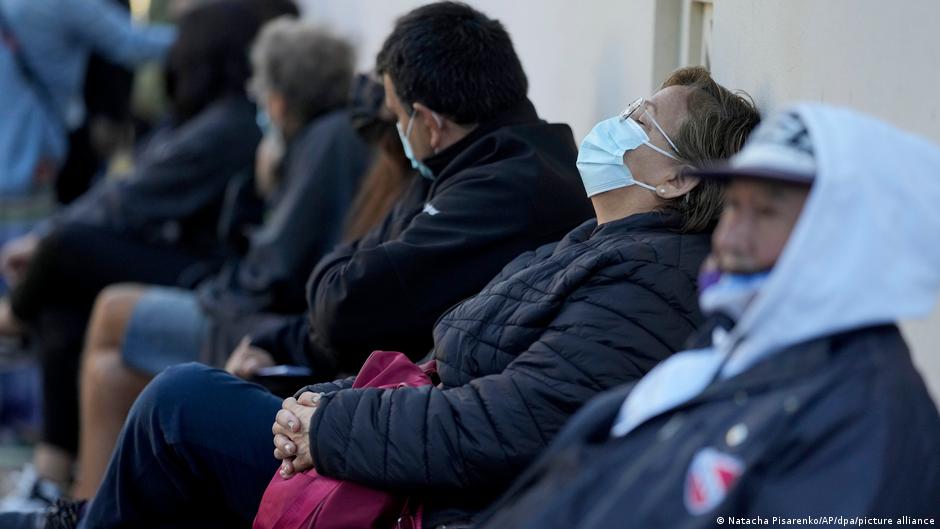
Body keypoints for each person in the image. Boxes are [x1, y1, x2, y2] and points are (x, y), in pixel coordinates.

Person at [9, 64, 761, 529]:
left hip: (430, 499)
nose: (617, 123)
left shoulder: (651, 284)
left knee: (178, 405)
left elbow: (500, 423)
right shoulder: (600, 243)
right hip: (395, 446)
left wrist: (328, 423)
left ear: (679, 178)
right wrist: (319, 401)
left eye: (642, 119)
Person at [475, 105, 940, 529]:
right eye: (735, 204)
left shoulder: (866, 418)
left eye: (766, 212)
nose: (730, 235)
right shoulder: (729, 348)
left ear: (845, 239)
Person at [71, 20, 372, 499]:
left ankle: (85, 504)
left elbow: (273, 267)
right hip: (279, 314)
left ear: (278, 100)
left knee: (113, 309)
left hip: (275, 324)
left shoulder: (324, 143)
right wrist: (260, 184)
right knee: (114, 373)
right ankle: (91, 504)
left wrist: (214, 284)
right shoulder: (322, 138)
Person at [0, 0, 267, 509]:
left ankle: (12, 317)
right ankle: (59, 487)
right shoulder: (211, 119)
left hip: (211, 279)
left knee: (67, 252)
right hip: (198, 265)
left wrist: (47, 240)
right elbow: (133, 191)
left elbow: (135, 195)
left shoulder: (227, 125)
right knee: (66, 298)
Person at [0, 0, 175, 196]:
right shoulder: (67, 5)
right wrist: (204, 31)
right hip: (53, 144)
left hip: (12, 141)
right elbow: (130, 43)